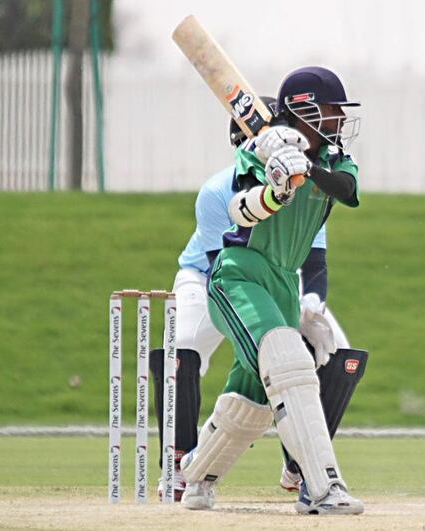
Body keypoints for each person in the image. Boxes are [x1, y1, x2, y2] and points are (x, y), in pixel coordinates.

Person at [149, 96, 368, 502]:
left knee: (334, 353)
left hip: (281, 278)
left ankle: (293, 468)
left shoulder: (312, 187)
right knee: (185, 348)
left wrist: (311, 305)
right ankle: (175, 466)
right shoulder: (217, 189)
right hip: (208, 277)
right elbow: (226, 261)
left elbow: (314, 261)